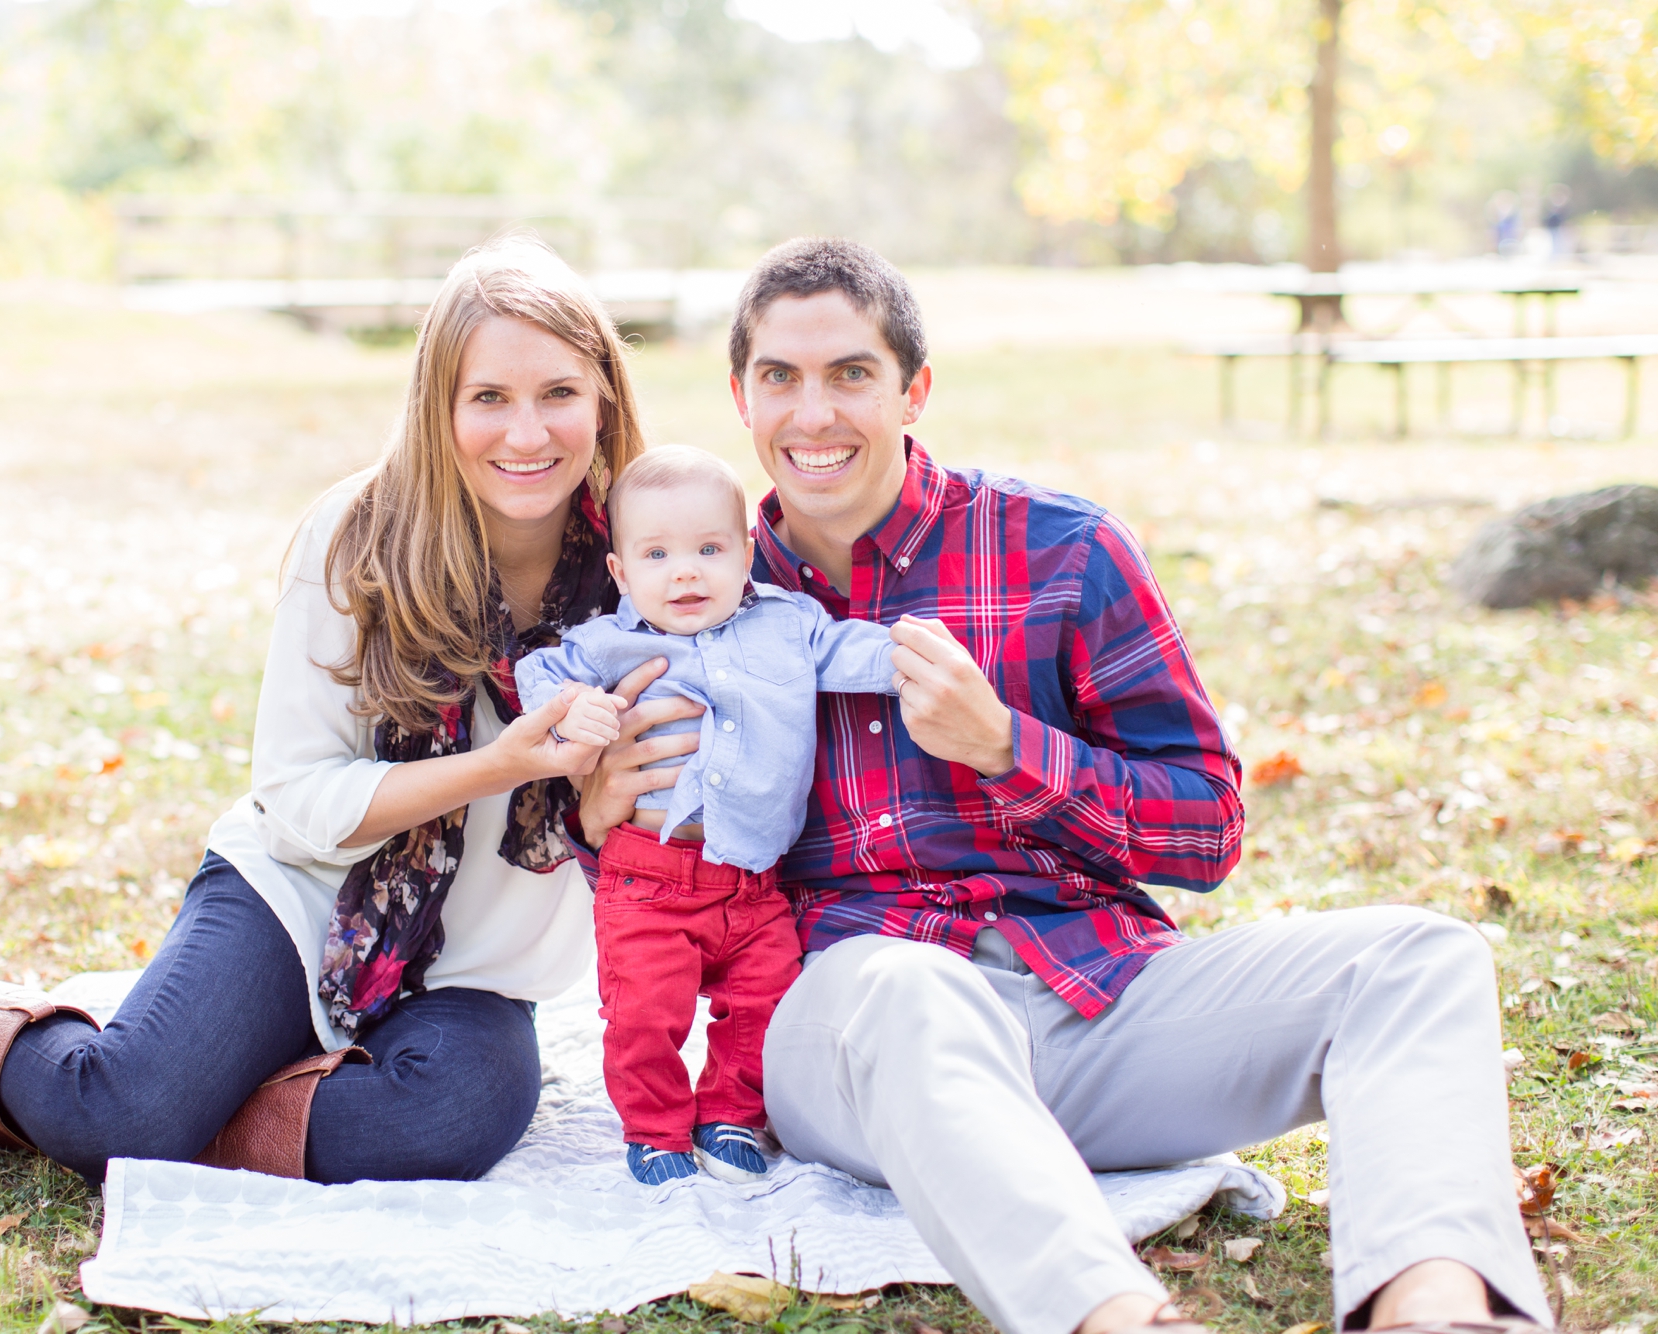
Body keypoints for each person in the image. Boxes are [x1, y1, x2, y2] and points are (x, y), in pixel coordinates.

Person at [573, 239, 1552, 1334]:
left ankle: (1432, 1305)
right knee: (905, 987)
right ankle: (1114, 1318)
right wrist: (598, 807)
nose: (814, 413)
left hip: (1093, 998)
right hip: (860, 1030)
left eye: (850, 373)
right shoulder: (686, 589)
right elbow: (639, 877)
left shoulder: (1059, 550)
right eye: (779, 378)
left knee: (1419, 956)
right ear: (740, 397)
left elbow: (1208, 827)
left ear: (913, 389)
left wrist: (1006, 747)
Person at [0, 237, 654, 1187]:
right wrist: (504, 764)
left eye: (559, 393)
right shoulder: (363, 538)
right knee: (140, 1108)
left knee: (451, 1118)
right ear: (437, 406)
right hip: (302, 897)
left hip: (477, 968)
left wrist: (606, 815)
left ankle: (55, 1102)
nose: (527, 434)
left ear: (604, 395)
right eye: (488, 397)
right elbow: (296, 799)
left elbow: (662, 827)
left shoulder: (655, 568)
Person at [515, 445, 898, 1185]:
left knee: (763, 1001)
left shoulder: (789, 627)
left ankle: (730, 1114)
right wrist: (576, 710)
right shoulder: (607, 643)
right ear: (622, 572)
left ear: (747, 555)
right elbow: (542, 674)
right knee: (644, 1014)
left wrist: (917, 657)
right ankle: (655, 1130)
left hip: (753, 878)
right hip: (646, 877)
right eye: (657, 554)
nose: (685, 571)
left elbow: (856, 652)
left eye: (709, 549)